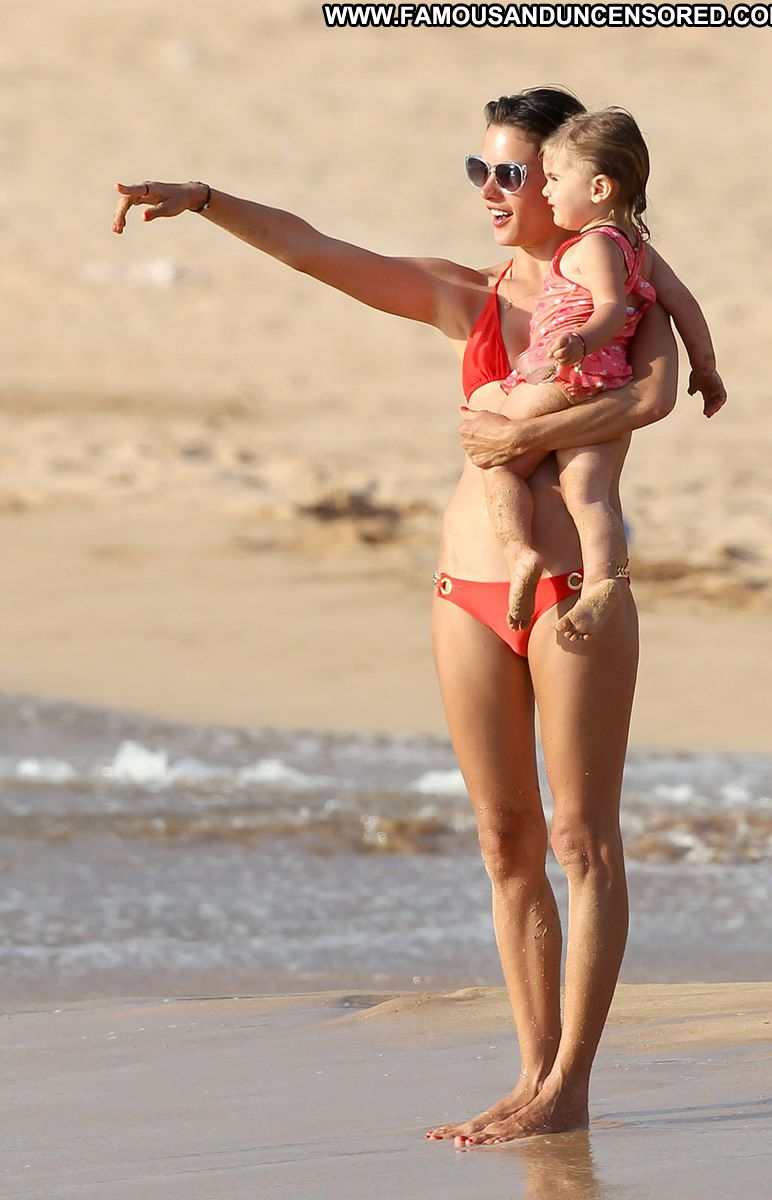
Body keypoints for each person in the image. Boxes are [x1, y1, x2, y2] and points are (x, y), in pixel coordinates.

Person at [112, 86, 680, 1146]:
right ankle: (530, 1074)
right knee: (504, 840)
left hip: (572, 590)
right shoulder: (466, 295)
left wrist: (517, 439)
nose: (489, 191)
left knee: (580, 839)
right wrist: (205, 200)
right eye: (478, 170)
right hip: (464, 589)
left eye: (509, 172)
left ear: (567, 180)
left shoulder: (623, 292)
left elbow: (652, 396)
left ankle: (570, 1085)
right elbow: (317, 251)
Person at [476, 107, 725, 640]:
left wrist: (580, 342)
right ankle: (601, 584)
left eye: (555, 179)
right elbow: (685, 306)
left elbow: (609, 308)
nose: (546, 191)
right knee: (588, 493)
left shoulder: (592, 245)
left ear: (599, 188)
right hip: (609, 384)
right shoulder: (641, 250)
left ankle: (519, 553)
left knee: (496, 459)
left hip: (565, 375)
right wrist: (705, 367)